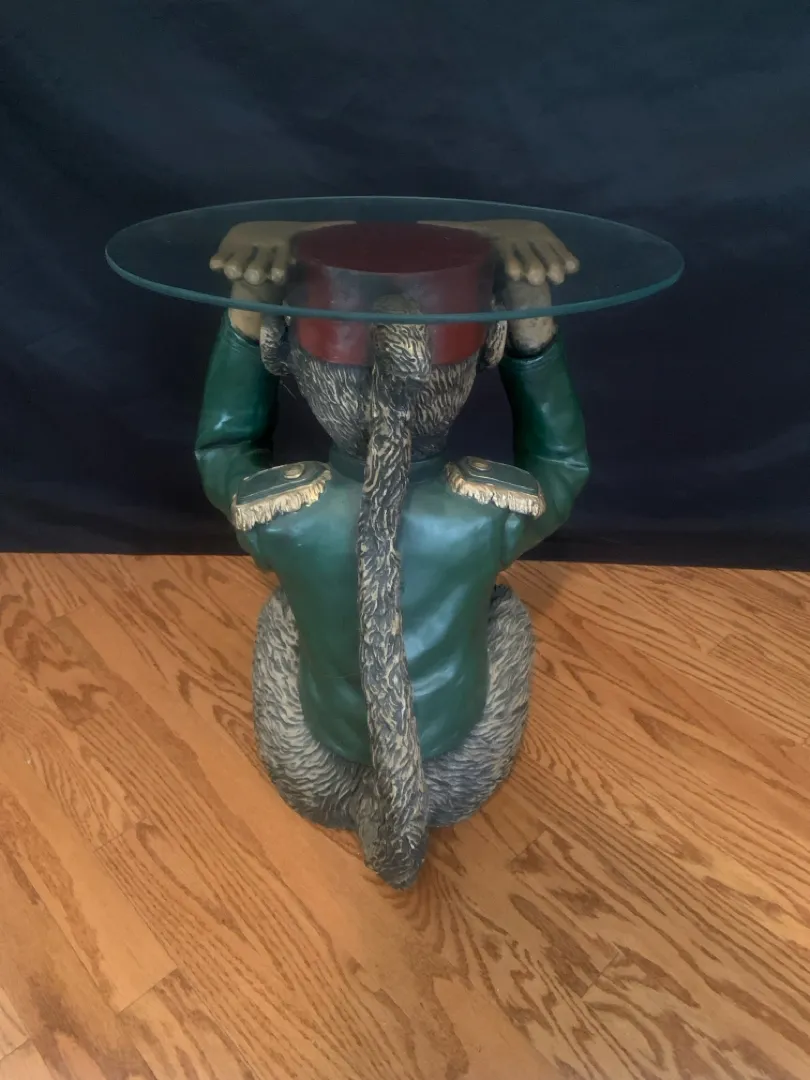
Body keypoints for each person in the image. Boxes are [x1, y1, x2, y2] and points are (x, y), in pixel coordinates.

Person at [196, 219, 589, 888]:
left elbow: (223, 450)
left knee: (285, 608)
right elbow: (562, 464)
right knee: (505, 612)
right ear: (483, 353)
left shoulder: (285, 517)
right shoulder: (487, 513)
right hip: (462, 769)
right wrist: (534, 325)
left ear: (289, 357)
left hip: (310, 764)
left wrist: (245, 308)